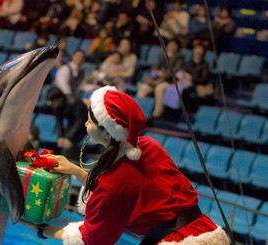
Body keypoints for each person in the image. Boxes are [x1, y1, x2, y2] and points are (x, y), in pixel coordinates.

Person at [21, 85, 230, 245]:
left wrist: (41, 229)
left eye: (90, 121)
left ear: (107, 131)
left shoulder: (111, 184)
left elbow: (92, 239)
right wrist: (75, 170)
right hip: (206, 230)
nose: (85, 125)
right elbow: (125, 189)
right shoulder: (149, 145)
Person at [136, 39, 184, 118]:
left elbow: (174, 71)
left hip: (169, 81)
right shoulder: (161, 55)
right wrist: (156, 73)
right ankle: (137, 111)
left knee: (159, 88)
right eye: (170, 44)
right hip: (156, 80)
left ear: (177, 47)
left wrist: (163, 74)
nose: (172, 46)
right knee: (143, 87)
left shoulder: (179, 58)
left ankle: (157, 113)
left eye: (174, 45)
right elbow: (154, 68)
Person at [43, 86, 88, 162]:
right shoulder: (57, 106)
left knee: (69, 145)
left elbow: (81, 121)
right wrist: (60, 136)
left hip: (84, 125)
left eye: (53, 102)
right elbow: (58, 121)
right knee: (63, 142)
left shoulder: (74, 102)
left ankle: (75, 163)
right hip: (72, 124)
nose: (52, 105)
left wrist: (69, 138)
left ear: (59, 99)